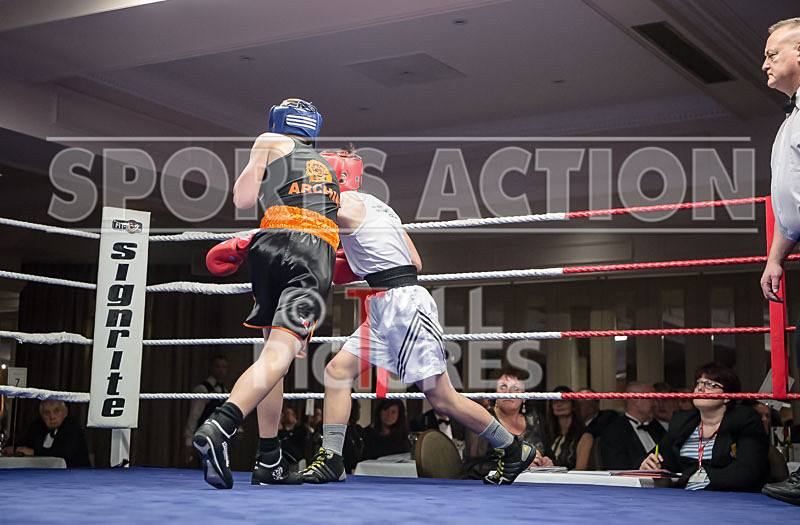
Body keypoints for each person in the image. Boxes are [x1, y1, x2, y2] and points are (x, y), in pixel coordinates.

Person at [299, 154, 535, 485]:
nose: (311, 180)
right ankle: (333, 460)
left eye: (316, 174)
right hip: (384, 303)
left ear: (332, 178)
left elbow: (305, 219)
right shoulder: (381, 207)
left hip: (404, 305)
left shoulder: (345, 204)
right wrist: (354, 257)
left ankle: (511, 448)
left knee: (441, 397)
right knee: (337, 371)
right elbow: (415, 260)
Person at [193, 98, 340, 489]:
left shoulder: (270, 140)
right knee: (278, 357)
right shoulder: (329, 169)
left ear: (279, 120)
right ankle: (221, 425)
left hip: (269, 247)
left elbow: (243, 200)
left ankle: (269, 458)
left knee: (272, 359)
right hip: (313, 253)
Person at [757, 17, 800, 506]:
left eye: (772, 53)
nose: (765, 62)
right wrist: (774, 258)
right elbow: (789, 202)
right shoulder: (790, 119)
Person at [640, 363, 769, 492]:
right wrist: (648, 464)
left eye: (710, 385)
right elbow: (661, 454)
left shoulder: (744, 419)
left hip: (729, 499)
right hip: (683, 498)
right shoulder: (683, 421)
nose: (700, 388)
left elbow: (749, 471)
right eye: (698, 383)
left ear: (727, 397)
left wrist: (698, 478)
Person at [2, 400, 90, 468]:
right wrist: (13, 447)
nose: (52, 417)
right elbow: (19, 439)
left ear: (65, 412)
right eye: (47, 413)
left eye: (56, 411)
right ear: (41, 415)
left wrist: (34, 452)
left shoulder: (73, 428)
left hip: (75, 477)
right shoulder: (37, 426)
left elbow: (63, 453)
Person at [600, 381, 666, 470]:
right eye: (652, 398)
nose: (656, 404)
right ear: (635, 398)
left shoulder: (657, 427)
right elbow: (617, 468)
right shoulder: (613, 432)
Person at [182, 354, 229, 464]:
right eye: (218, 366)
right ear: (211, 368)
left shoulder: (224, 390)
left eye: (224, 367)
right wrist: (188, 442)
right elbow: (193, 417)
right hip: (203, 438)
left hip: (219, 439)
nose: (221, 370)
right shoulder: (202, 389)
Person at [544, 386, 593, 470]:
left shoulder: (585, 436)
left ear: (573, 405)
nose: (558, 404)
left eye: (563, 400)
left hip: (571, 481)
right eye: (555, 401)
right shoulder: (547, 434)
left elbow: (580, 470)